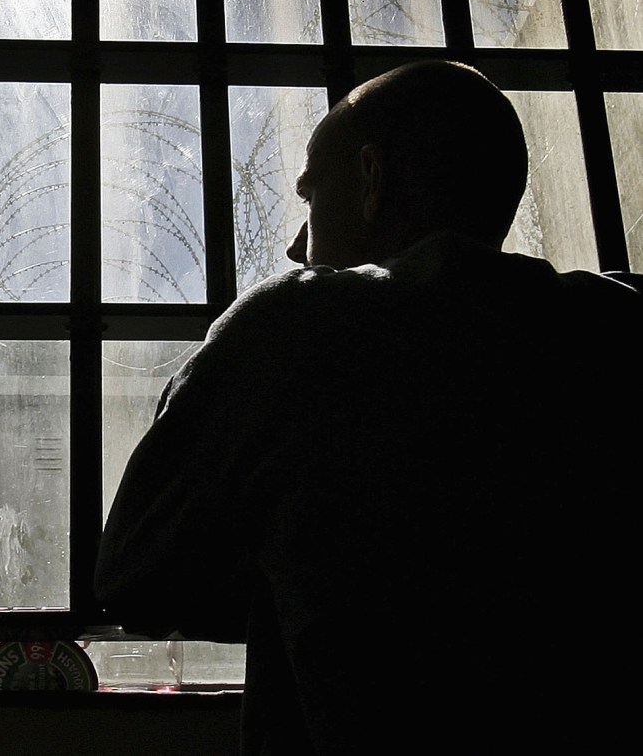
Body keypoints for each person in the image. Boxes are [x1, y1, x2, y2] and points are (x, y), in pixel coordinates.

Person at [95, 61, 640, 753]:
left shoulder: (299, 327)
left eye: (311, 197)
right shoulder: (618, 327)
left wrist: (300, 570)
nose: (297, 245)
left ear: (373, 179)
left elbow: (135, 575)